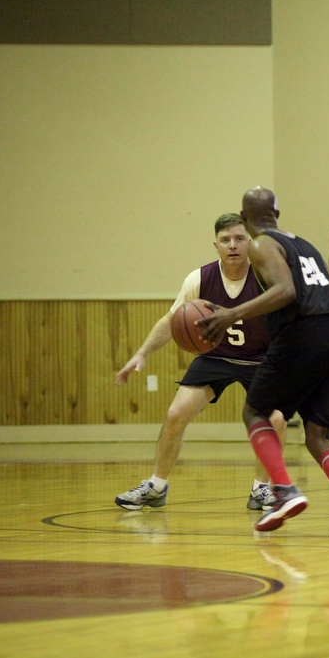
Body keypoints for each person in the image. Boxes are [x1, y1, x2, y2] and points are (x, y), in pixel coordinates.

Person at [199, 187, 329, 538]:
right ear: (277, 212)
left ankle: (283, 491)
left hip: (306, 332)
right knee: (317, 434)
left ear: (245, 217)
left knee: (255, 412)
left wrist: (231, 314)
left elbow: (286, 291)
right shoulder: (306, 245)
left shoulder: (262, 244)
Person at [113, 213, 287, 512]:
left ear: (250, 242)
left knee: (276, 419)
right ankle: (156, 486)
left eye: (239, 239)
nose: (233, 245)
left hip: (262, 358)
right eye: (225, 240)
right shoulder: (199, 279)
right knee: (176, 412)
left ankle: (262, 490)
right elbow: (171, 321)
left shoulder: (267, 275)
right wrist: (141, 353)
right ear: (216, 245)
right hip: (215, 356)